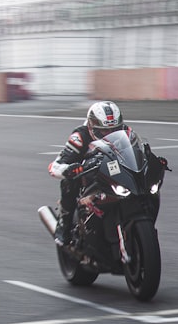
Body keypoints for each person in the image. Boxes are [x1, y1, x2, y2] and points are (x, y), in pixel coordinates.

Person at [47, 101, 162, 246]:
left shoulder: (126, 132)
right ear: (91, 127)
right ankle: (64, 223)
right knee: (68, 183)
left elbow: (137, 153)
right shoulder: (79, 137)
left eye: (114, 130)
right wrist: (68, 170)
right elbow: (55, 165)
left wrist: (151, 161)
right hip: (89, 176)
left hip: (114, 173)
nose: (109, 134)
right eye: (103, 131)